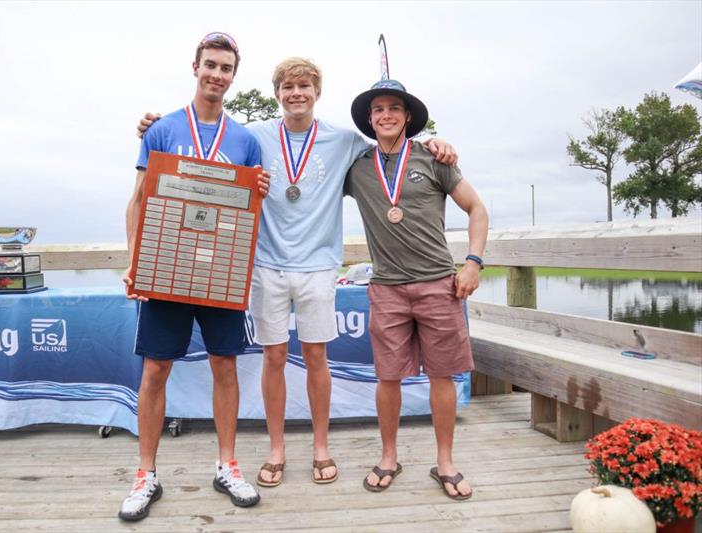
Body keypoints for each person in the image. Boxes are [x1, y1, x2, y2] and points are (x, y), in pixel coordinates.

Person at [137, 58, 458, 488]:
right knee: (271, 357)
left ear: (317, 92)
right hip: (266, 264)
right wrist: (153, 126)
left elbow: (392, 143)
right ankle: (276, 448)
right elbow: (209, 146)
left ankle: (320, 447)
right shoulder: (254, 137)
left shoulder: (345, 141)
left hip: (319, 266)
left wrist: (436, 141)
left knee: (316, 357)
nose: (296, 94)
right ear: (277, 94)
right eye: (288, 87)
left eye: (304, 86)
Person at [119, 32, 270, 522]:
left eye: (226, 68)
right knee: (155, 370)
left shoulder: (245, 140)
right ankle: (146, 474)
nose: (217, 75)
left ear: (232, 76)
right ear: (195, 67)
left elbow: (249, 211)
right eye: (211, 65)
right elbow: (139, 200)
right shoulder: (161, 129)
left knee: (225, 366)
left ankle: (227, 465)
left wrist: (260, 190)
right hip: (167, 269)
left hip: (220, 274)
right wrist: (134, 260)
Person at [344, 79, 488, 499]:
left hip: (439, 285)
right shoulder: (357, 166)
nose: (385, 115)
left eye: (393, 108)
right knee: (387, 377)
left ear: (408, 116)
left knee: (442, 375)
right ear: (369, 121)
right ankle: (389, 456)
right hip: (386, 287)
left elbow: (476, 209)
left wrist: (474, 263)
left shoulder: (434, 157)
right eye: (377, 110)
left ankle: (445, 461)